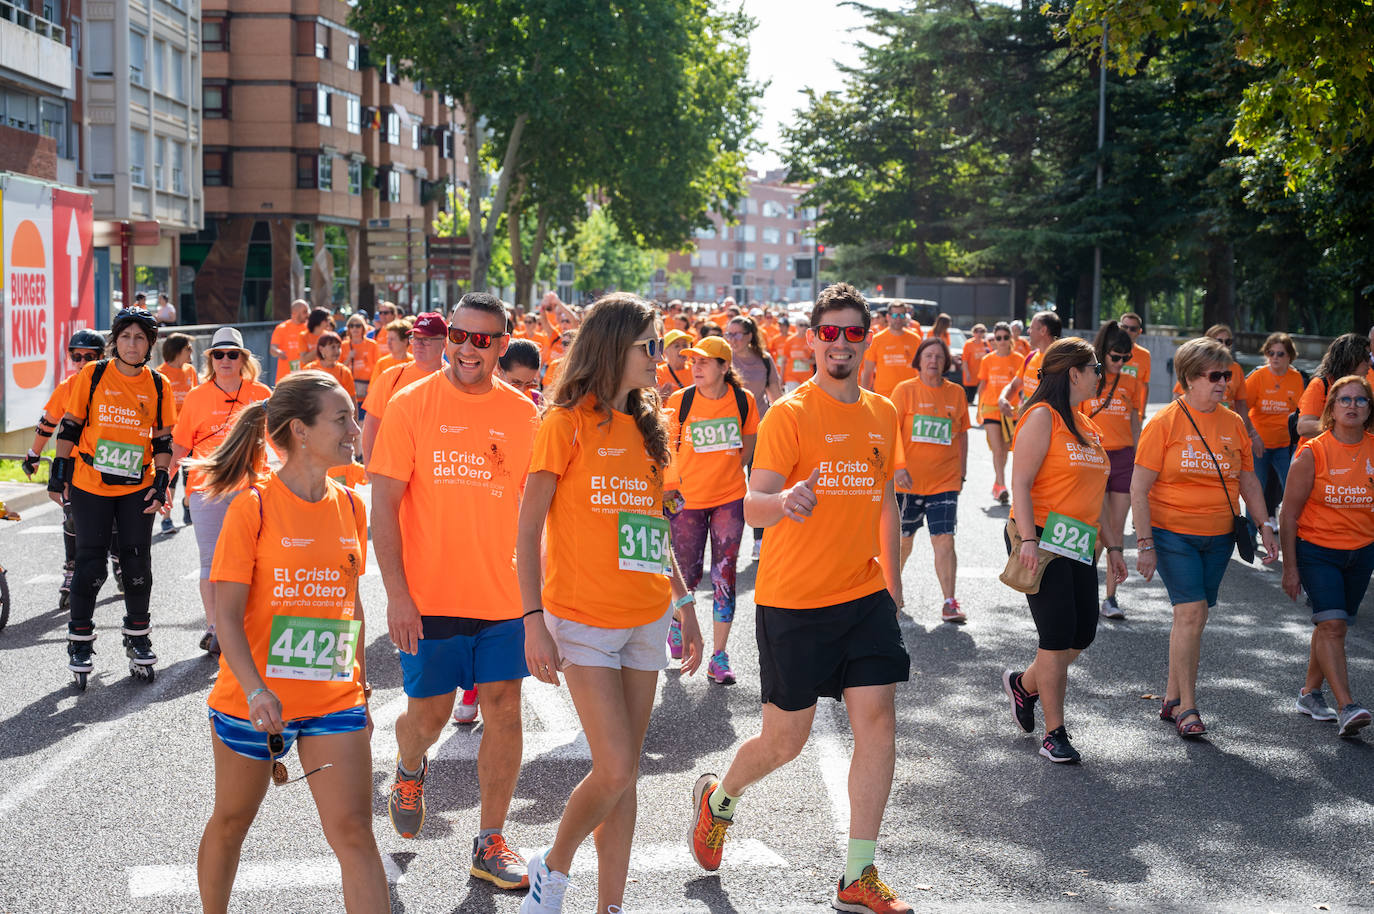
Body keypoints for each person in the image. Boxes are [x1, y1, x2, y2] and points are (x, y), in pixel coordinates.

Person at [688, 283, 913, 914]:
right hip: (794, 601)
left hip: (864, 594)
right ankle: (720, 799)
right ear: (813, 339)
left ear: (865, 339)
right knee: (785, 741)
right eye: (830, 333)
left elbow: (885, 507)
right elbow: (750, 501)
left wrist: (893, 590)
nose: (841, 343)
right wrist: (784, 503)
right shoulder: (791, 412)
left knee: (878, 721)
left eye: (852, 333)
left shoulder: (882, 411)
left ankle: (858, 873)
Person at [518, 294, 703, 914]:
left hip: (647, 614)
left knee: (624, 780)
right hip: (584, 619)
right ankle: (555, 864)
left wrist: (685, 605)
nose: (660, 356)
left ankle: (610, 906)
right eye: (648, 346)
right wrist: (532, 622)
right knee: (617, 765)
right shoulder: (564, 422)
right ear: (611, 347)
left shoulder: (651, 426)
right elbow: (526, 531)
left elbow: (654, 529)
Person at [192, 371, 387, 914]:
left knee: (354, 833)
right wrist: (256, 691)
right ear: (300, 430)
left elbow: (352, 605)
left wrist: (363, 691)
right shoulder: (251, 506)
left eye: (354, 416)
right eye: (343, 418)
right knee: (232, 822)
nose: (356, 427)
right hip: (255, 705)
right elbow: (225, 617)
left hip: (333, 700)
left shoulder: (351, 504)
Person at [370, 293, 540, 888]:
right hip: (428, 598)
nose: (469, 348)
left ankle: (489, 840)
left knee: (504, 710)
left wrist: (541, 604)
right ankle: (410, 765)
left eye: (484, 339)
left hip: (502, 598)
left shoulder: (525, 415)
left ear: (502, 344)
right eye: (461, 336)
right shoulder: (411, 404)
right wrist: (396, 594)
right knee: (430, 717)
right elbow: (384, 507)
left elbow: (537, 513)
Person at [1131, 337, 1278, 739]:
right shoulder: (1163, 423)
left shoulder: (1233, 422)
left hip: (1219, 537)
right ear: (1189, 379)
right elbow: (1138, 489)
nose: (1223, 383)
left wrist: (1265, 525)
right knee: (1191, 612)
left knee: (1193, 618)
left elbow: (1247, 479)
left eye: (1226, 375)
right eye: (1215, 376)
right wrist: (1144, 545)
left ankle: (1170, 696)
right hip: (1172, 534)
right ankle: (1188, 707)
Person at [1001, 338, 1124, 763]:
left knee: (1081, 635)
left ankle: (1024, 684)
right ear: (1074, 373)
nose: (1100, 376)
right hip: (1042, 539)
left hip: (1080, 541)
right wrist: (1030, 540)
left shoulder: (1088, 424)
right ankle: (1055, 734)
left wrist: (1114, 548)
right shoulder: (1041, 416)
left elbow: (1099, 494)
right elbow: (1020, 483)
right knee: (1054, 638)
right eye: (1095, 368)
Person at [47, 308, 177, 686]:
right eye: (125, 337)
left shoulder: (158, 384)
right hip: (91, 483)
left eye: (140, 338)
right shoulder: (94, 374)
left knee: (137, 565)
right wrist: (59, 471)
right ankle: (80, 641)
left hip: (138, 484)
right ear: (115, 341)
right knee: (90, 566)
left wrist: (163, 476)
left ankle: (138, 637)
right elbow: (70, 425)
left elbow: (163, 439)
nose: (132, 344)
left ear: (150, 344)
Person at [1280, 375, 1374, 738]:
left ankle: (1309, 693)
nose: (1352, 405)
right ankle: (1348, 705)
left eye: (1361, 400)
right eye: (1344, 399)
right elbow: (1288, 515)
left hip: (1361, 553)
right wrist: (1290, 568)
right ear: (1331, 408)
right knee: (1333, 625)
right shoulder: (1312, 452)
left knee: (1331, 625)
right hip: (1317, 551)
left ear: (1368, 409)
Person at [169, 327, 272, 655]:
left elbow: (277, 444)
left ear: (242, 359)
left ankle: (250, 623)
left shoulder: (261, 393)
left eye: (232, 354)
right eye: (218, 354)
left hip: (253, 489)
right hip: (206, 490)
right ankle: (215, 628)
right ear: (210, 359)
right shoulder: (197, 397)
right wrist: (163, 487)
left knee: (256, 562)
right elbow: (180, 446)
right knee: (211, 563)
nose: (225, 360)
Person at [663, 336, 759, 685]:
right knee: (687, 575)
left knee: (725, 575)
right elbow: (665, 451)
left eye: (704, 361)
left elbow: (746, 450)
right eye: (692, 361)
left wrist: (724, 476)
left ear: (723, 366)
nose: (695, 366)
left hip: (729, 499)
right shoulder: (679, 401)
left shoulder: (743, 401)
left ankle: (719, 656)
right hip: (686, 502)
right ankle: (678, 621)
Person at [23, 329, 107, 612]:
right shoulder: (67, 387)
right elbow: (47, 423)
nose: (82, 362)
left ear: (102, 357)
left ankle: (119, 559)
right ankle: (72, 572)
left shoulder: (114, 384)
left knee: (114, 522)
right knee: (72, 519)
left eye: (90, 356)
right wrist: (34, 453)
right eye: (76, 356)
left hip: (107, 463)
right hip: (72, 463)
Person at [891, 337, 970, 623]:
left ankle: (949, 601)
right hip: (906, 483)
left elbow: (962, 433)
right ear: (919, 361)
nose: (933, 361)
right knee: (902, 542)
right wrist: (898, 466)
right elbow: (892, 431)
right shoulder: (904, 391)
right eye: (928, 356)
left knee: (944, 540)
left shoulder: (957, 393)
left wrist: (961, 473)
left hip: (944, 481)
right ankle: (892, 594)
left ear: (945, 361)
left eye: (938, 356)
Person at [1081, 322, 1142, 620]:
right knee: (1094, 533)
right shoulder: (1088, 379)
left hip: (1122, 460)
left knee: (1114, 532)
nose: (1120, 363)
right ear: (1103, 353)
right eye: (1115, 357)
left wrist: (1140, 457)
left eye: (1125, 358)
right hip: (1092, 459)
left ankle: (1110, 598)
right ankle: (1084, 592)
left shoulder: (1131, 383)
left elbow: (1135, 421)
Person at [360, 313, 447, 463]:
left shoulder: (455, 379)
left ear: (444, 343)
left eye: (426, 339)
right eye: (415, 339)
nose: (418, 345)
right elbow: (372, 423)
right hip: (394, 467)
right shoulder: (391, 376)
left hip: (438, 468)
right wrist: (369, 465)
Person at [1245, 332, 1304, 510]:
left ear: (1290, 357)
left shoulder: (1297, 378)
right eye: (1271, 353)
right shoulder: (1257, 377)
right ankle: (1250, 534)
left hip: (1286, 445)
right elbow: (1241, 410)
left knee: (1292, 490)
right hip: (1259, 444)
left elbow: (1301, 411)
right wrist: (1253, 436)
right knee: (1255, 490)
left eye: (1280, 354)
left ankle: (1292, 533)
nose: (1274, 357)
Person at [159, 332, 198, 534]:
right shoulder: (160, 373)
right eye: (187, 349)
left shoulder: (191, 371)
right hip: (170, 435)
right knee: (170, 478)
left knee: (190, 475)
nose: (191, 352)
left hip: (191, 433)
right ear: (177, 351)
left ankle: (187, 504)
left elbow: (198, 399)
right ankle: (166, 518)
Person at [976, 323, 1021, 503]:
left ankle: (997, 481)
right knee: (997, 449)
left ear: (1010, 338)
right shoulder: (987, 360)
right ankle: (1002, 486)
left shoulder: (1019, 359)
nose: (1001, 341)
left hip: (1011, 411)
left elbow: (1022, 387)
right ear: (994, 339)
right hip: (990, 408)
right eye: (998, 338)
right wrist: (979, 410)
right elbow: (982, 386)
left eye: (1005, 337)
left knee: (1004, 450)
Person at [1296, 333, 1370, 440]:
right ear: (1353, 358)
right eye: (1367, 357)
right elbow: (1303, 427)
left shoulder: (1362, 385)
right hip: (1316, 454)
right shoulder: (1320, 384)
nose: (1370, 362)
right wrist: (1342, 424)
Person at [999, 311, 1062, 415]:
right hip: (1027, 421)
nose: (1028, 331)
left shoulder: (1060, 361)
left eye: (1031, 327)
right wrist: (1003, 398)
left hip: (1047, 425)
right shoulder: (1031, 356)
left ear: (1043, 330)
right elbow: (1014, 386)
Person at [859, 299, 921, 398]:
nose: (898, 319)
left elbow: (920, 369)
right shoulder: (877, 339)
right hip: (884, 396)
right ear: (888, 317)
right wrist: (864, 397)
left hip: (910, 396)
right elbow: (868, 371)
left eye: (901, 315)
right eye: (895, 315)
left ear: (906, 317)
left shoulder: (915, 339)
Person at [341, 314, 379, 409]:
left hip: (368, 389)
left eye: (358, 326)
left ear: (363, 327)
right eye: (351, 326)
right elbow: (339, 369)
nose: (355, 328)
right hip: (348, 389)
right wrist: (349, 358)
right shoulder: (343, 345)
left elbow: (377, 368)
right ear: (348, 329)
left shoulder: (372, 345)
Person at [1118, 312, 1152, 416]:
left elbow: (1144, 386)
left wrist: (1142, 413)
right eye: (1125, 327)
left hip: (1133, 412)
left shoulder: (1144, 355)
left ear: (1139, 332)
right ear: (1119, 328)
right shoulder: (1107, 351)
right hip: (1110, 410)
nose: (1128, 331)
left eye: (1133, 329)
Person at [269, 299, 310, 384]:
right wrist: (278, 352)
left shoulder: (308, 328)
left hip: (305, 376)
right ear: (295, 312)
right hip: (286, 377)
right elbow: (272, 349)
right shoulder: (282, 328)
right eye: (305, 312)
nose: (307, 315)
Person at [498, 337, 544, 406]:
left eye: (529, 384)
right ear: (500, 370)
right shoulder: (484, 397)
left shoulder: (536, 400)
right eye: (516, 383)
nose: (522, 390)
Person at [781, 317, 814, 392]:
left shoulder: (811, 341)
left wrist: (808, 361)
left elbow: (816, 360)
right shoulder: (790, 340)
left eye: (806, 325)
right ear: (796, 326)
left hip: (807, 377)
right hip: (791, 377)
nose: (804, 327)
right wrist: (781, 379)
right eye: (801, 325)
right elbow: (784, 361)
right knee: (794, 400)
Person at [656, 329, 692, 398]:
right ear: (665, 351)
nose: (682, 349)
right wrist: (659, 397)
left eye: (684, 345)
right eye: (677, 346)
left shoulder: (695, 370)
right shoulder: (658, 373)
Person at [961, 324, 988, 403]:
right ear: (973, 332)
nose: (979, 334)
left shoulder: (986, 344)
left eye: (981, 331)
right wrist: (967, 373)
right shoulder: (968, 344)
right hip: (971, 374)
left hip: (982, 375)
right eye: (977, 331)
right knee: (970, 398)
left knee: (982, 396)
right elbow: (964, 360)